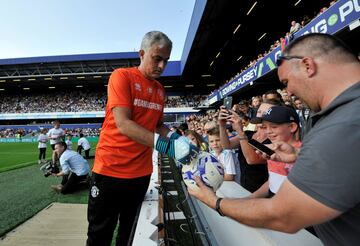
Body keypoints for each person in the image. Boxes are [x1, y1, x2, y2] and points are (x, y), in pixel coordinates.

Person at [189, 33, 360, 245]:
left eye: (286, 82)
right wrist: (301, 155)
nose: (289, 91)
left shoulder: (345, 123)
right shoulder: (344, 116)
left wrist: (216, 202)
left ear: (308, 65)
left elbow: (283, 215)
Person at [86, 31, 197, 246]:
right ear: (142, 53)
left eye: (166, 60)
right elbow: (124, 124)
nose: (162, 66)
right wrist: (166, 146)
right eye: (157, 59)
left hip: (140, 175)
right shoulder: (122, 76)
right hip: (110, 171)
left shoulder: (159, 89)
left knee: (130, 234)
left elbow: (157, 125)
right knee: (99, 236)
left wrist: (177, 138)